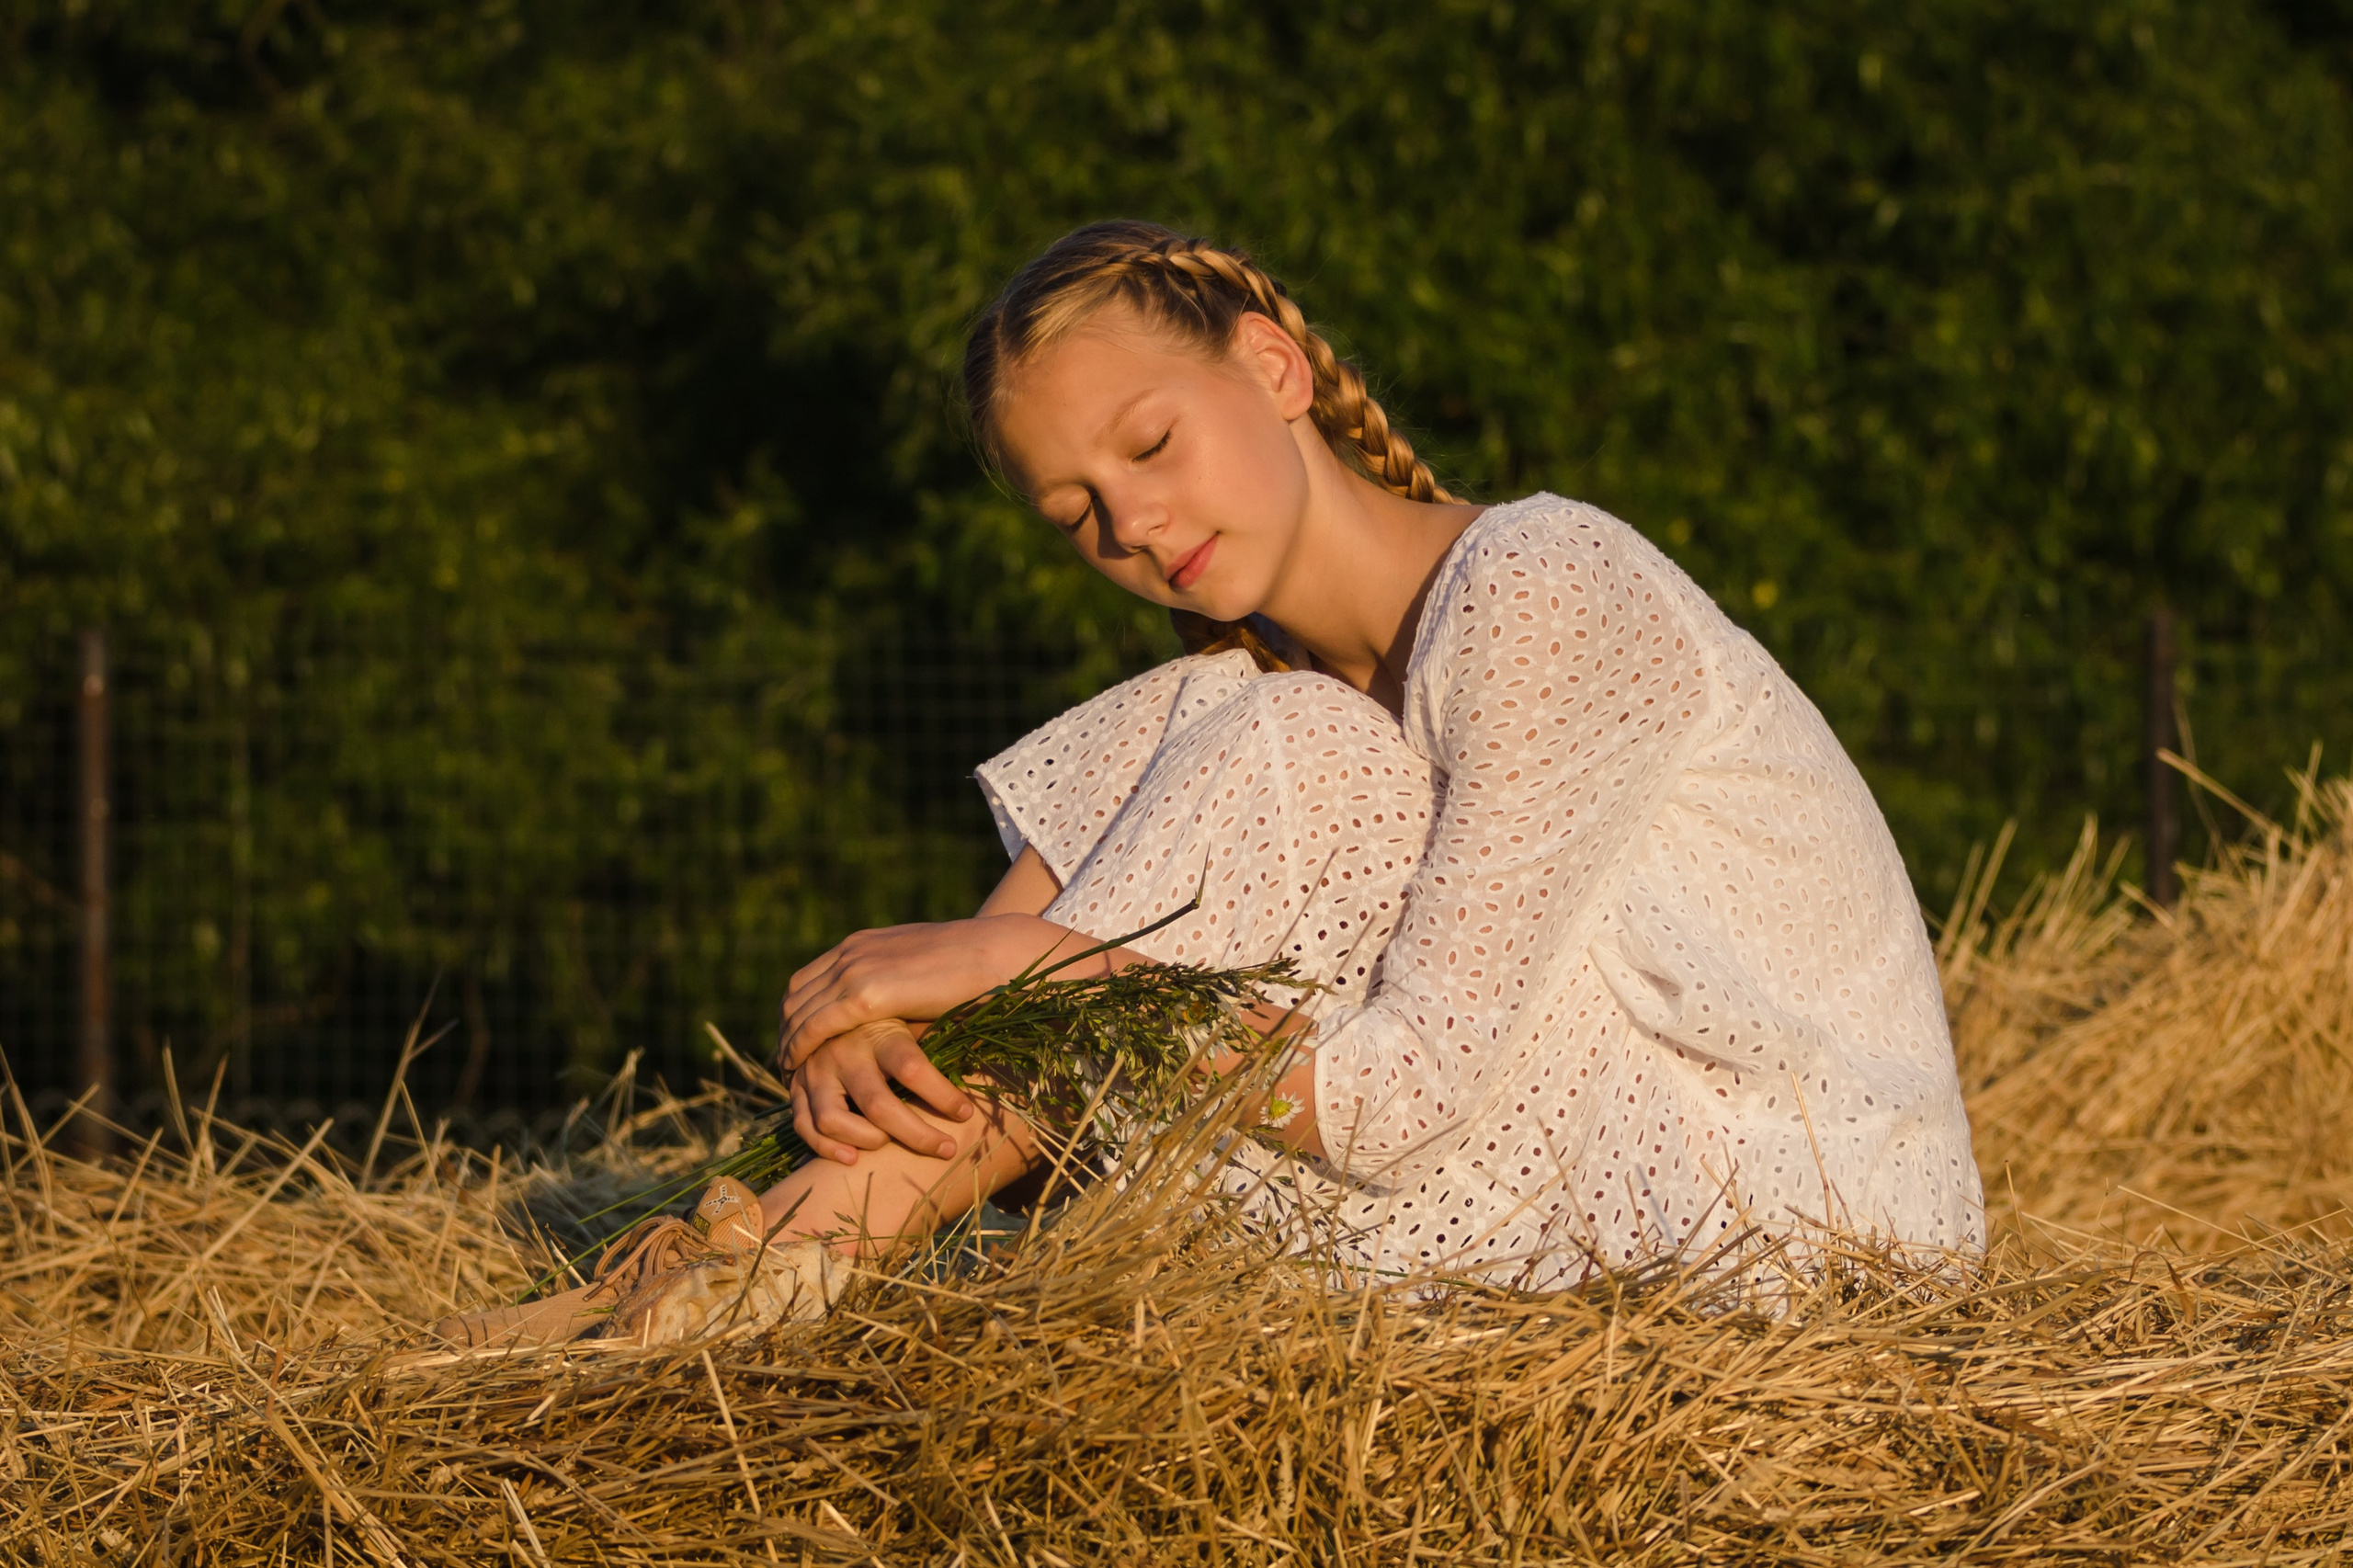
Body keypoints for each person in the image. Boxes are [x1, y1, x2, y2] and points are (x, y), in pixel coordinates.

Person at [436, 220, 1981, 1351]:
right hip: (1587, 1208)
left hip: (1793, 1241)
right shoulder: (1238, 697)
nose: (1133, 522)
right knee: (1227, 709)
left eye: (1154, 443)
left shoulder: (1545, 579)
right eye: (1078, 512)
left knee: (1277, 742)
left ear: (1275, 363)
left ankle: (770, 1269)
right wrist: (871, 1031)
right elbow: (1000, 997)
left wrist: (1028, 961)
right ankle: (768, 1262)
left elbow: (1390, 1100)